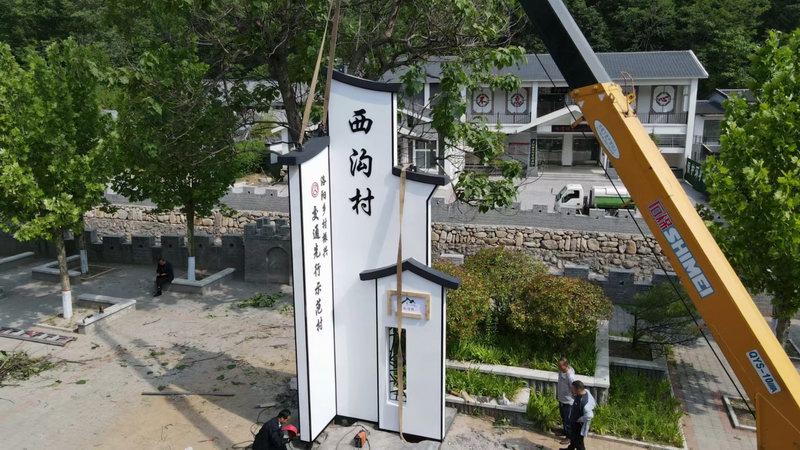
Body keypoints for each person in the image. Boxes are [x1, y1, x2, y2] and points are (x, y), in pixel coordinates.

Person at [561, 380, 596, 450]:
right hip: (574, 421)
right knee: (573, 437)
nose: (571, 390)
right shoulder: (585, 392)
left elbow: (589, 416)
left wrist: (580, 419)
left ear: (578, 390)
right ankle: (570, 448)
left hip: (578, 425)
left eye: (572, 389)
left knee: (579, 443)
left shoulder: (584, 402)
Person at [556, 357, 576, 445]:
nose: (558, 367)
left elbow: (574, 389)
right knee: (563, 417)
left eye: (560, 366)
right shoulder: (560, 372)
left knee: (568, 420)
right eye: (558, 365)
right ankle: (565, 431)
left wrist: (574, 400)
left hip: (568, 402)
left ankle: (569, 437)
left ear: (566, 365)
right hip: (562, 400)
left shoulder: (570, 376)